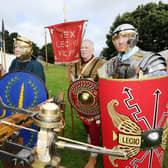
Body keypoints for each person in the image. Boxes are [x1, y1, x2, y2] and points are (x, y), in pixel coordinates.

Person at [70, 39, 106, 168]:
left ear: (92, 50)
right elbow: (73, 84)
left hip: (95, 106)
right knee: (88, 128)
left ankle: (93, 158)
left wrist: (100, 109)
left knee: (94, 131)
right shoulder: (75, 65)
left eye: (86, 47)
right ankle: (93, 142)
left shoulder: (101, 64)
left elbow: (105, 88)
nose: (83, 50)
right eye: (82, 48)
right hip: (81, 104)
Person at [98, 23, 167, 79]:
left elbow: (159, 86)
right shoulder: (109, 64)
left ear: (135, 37)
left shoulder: (150, 60)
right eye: (116, 38)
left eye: (125, 36)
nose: (120, 41)